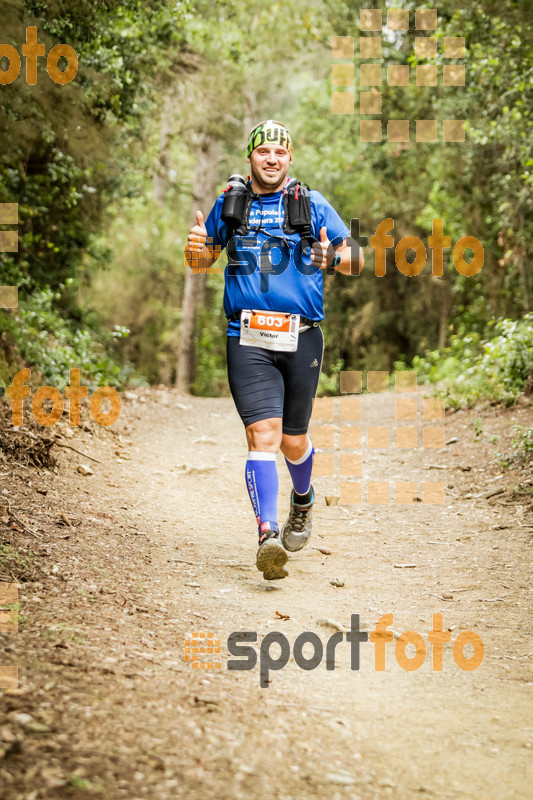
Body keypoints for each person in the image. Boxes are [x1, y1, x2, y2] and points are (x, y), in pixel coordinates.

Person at [185, 119, 363, 581]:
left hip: (301, 336)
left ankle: (301, 501)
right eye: (263, 151)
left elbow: (357, 257)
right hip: (246, 336)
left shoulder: (312, 203)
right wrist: (195, 249)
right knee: (262, 435)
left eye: (279, 153)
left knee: (292, 440)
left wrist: (335, 258)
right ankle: (267, 534)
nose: (271, 159)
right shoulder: (230, 203)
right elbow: (202, 260)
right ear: (251, 157)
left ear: (290, 159)